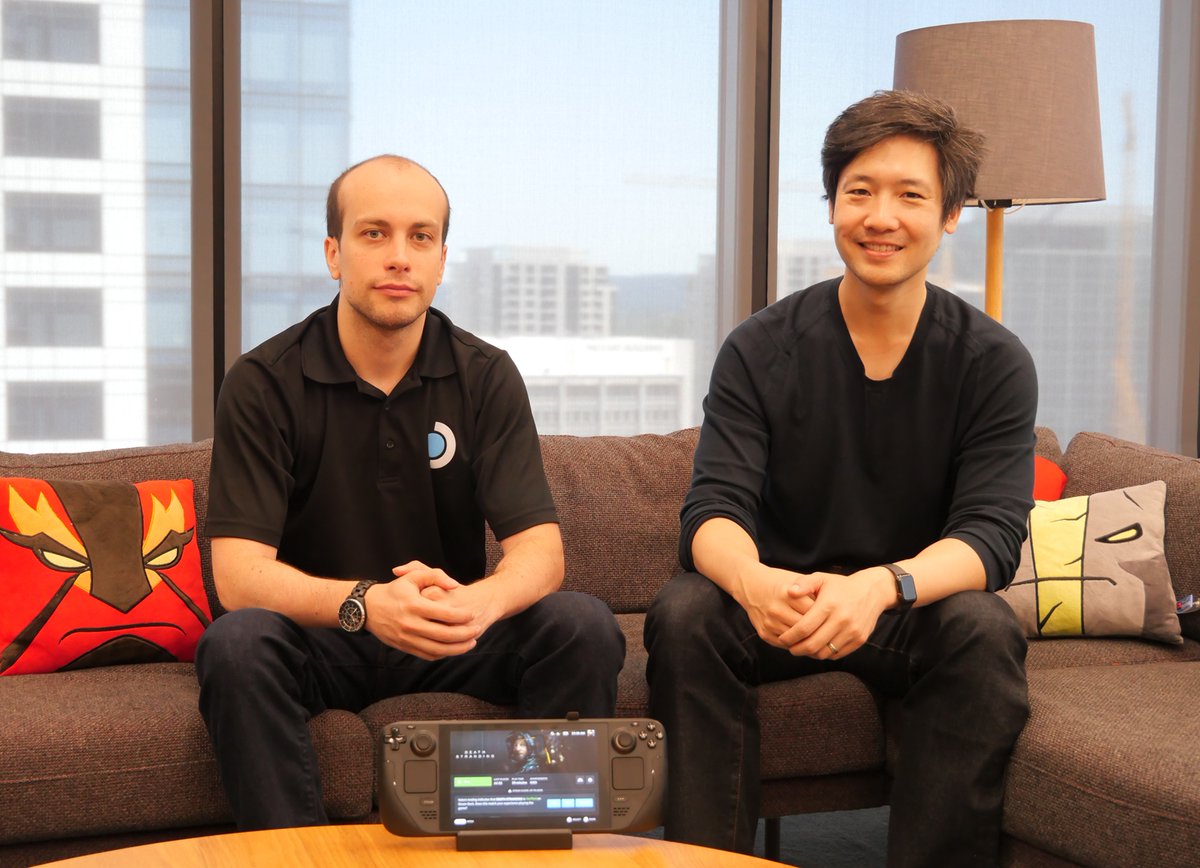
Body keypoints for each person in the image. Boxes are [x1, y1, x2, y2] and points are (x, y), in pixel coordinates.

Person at [644, 90, 1037, 866]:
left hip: (906, 610)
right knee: (686, 611)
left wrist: (882, 587)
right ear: (832, 205)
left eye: (910, 196)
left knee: (984, 627)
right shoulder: (760, 348)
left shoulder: (992, 362)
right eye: (859, 191)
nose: (880, 217)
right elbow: (712, 509)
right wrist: (755, 583)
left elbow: (991, 536)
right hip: (781, 605)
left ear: (951, 214)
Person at [195, 154, 624, 830]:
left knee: (582, 626)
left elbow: (541, 552)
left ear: (441, 260)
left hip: (448, 633)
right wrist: (366, 604)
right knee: (236, 644)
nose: (399, 256)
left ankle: (531, 842)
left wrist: (480, 604)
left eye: (420, 237)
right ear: (334, 254)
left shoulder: (486, 375)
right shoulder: (264, 381)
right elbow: (239, 576)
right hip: (325, 636)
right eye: (374, 233)